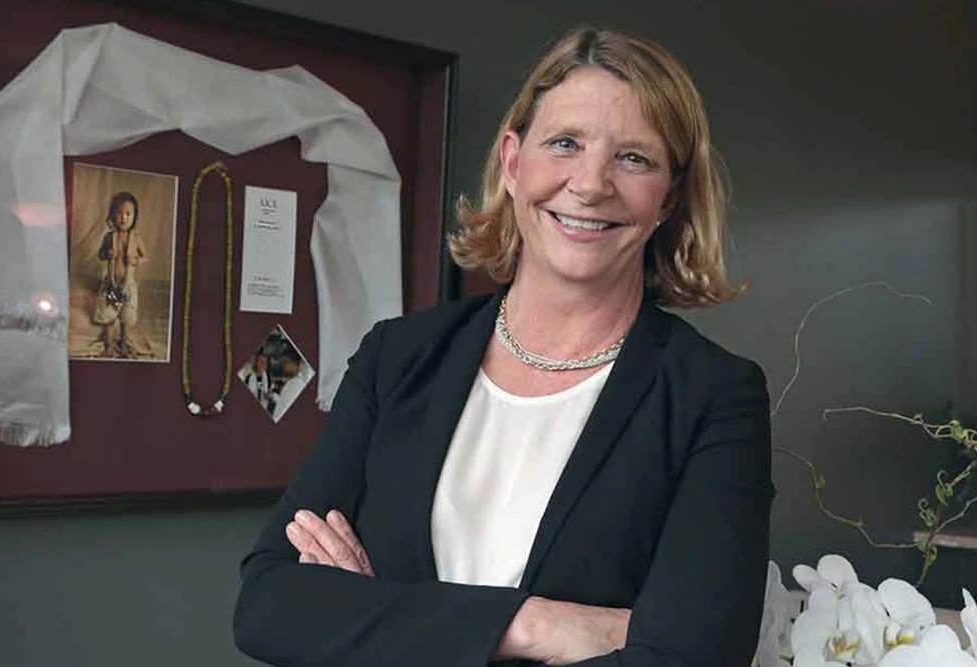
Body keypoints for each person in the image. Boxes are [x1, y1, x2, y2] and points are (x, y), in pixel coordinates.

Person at [234, 26, 773, 667]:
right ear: (514, 163)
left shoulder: (714, 396)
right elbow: (270, 605)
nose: (591, 183)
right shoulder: (398, 358)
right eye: (565, 144)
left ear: (669, 196)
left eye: (635, 158)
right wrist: (536, 625)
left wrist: (384, 615)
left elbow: (697, 656)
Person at [92, 191, 147, 358]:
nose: (123, 218)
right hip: (111, 283)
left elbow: (145, 256)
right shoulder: (110, 236)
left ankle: (123, 344)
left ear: (134, 216)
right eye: (119, 213)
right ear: (112, 215)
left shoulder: (136, 238)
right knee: (108, 318)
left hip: (128, 285)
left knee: (125, 319)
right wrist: (106, 254)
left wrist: (136, 260)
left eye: (128, 214)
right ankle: (109, 345)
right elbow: (100, 255)